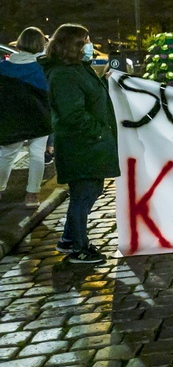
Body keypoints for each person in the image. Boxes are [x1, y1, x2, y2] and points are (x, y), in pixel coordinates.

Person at [42, 24, 120, 263]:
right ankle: (79, 247)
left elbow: (90, 97)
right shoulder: (64, 74)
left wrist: (105, 83)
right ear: (72, 45)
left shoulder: (76, 69)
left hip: (88, 144)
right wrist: (98, 132)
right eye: (85, 41)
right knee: (83, 193)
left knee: (90, 190)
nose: (90, 45)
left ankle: (68, 238)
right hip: (81, 144)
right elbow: (73, 113)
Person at [0, 27, 52, 207]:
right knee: (37, 154)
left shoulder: (3, 67)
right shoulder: (43, 68)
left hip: (12, 118)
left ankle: (0, 189)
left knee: (6, 155)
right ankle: (32, 195)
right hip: (40, 116)